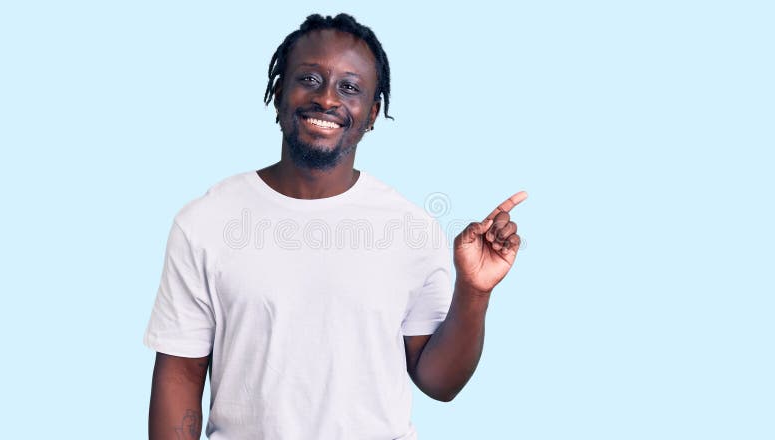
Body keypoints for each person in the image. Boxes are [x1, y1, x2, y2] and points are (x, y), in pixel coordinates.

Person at [145, 13, 526, 440]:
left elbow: (439, 383)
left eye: (350, 87)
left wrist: (474, 292)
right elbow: (180, 374)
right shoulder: (205, 222)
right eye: (309, 79)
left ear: (373, 113)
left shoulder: (411, 229)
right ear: (279, 92)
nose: (327, 99)